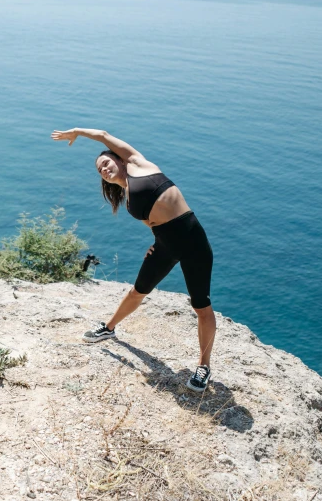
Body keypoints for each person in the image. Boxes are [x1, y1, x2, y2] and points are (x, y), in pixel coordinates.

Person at [51, 128, 215, 392]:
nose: (104, 169)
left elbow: (104, 135)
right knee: (137, 291)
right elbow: (157, 220)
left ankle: (203, 367)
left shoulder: (139, 164)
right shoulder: (127, 198)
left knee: (201, 307)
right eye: (100, 170)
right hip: (165, 246)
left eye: (106, 162)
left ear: (118, 159)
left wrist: (78, 132)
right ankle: (109, 328)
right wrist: (156, 244)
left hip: (194, 245)